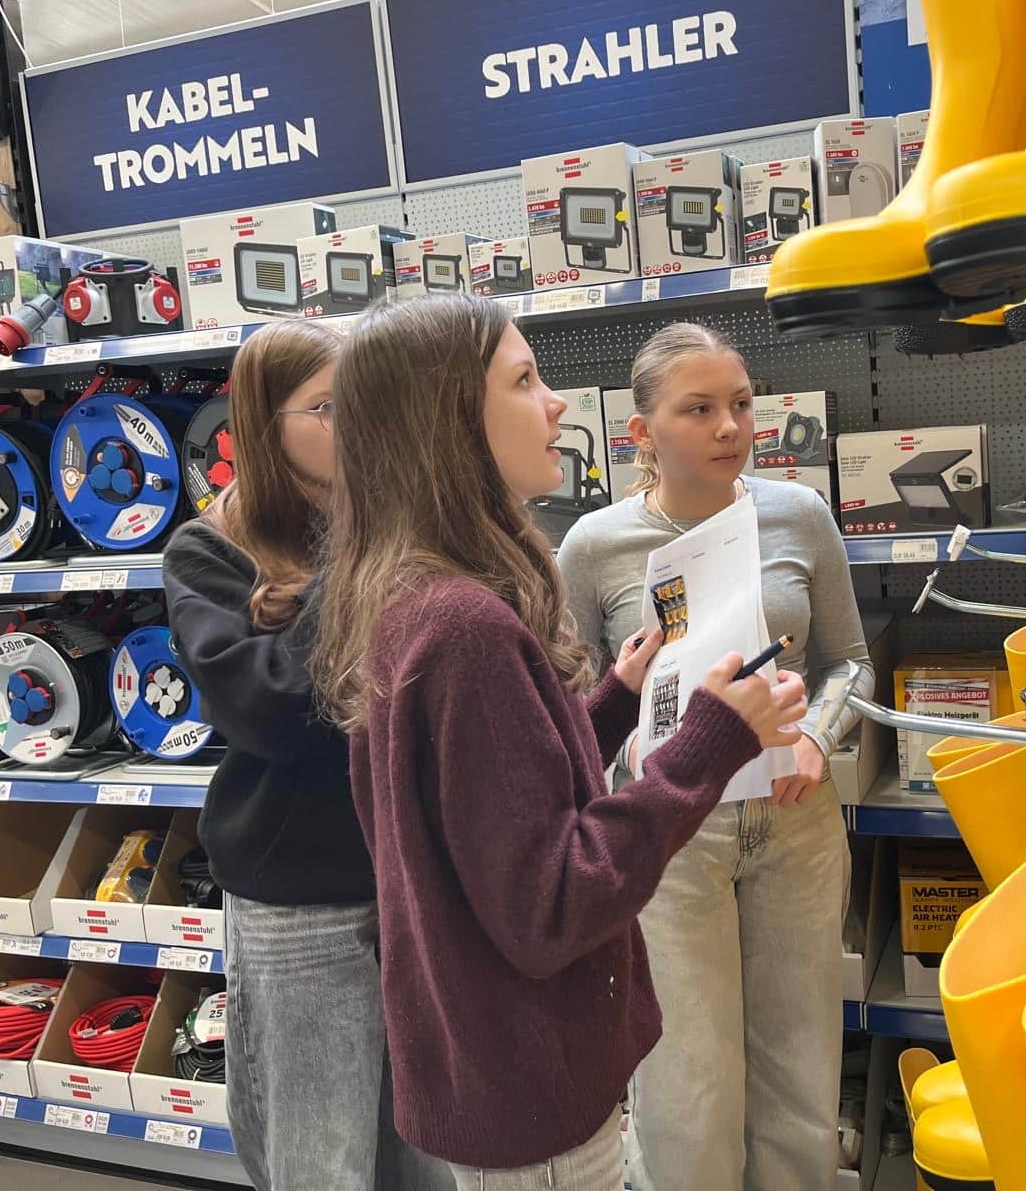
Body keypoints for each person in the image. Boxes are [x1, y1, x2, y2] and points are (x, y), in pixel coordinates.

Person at [310, 295, 808, 1191]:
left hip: (494, 1069)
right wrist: (710, 740)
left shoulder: (413, 594)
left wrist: (614, 703)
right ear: (449, 420)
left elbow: (489, 810)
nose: (558, 403)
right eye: (524, 380)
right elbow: (553, 904)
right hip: (532, 1099)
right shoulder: (464, 628)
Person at [556, 323, 875, 1191]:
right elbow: (571, 710)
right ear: (642, 431)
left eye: (739, 404)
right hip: (668, 839)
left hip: (796, 823)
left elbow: (850, 662)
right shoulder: (594, 546)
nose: (730, 427)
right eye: (698, 410)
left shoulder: (798, 515)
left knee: (800, 1081)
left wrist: (818, 737)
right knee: (686, 1094)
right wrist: (628, 736)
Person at [162, 321, 448, 1191]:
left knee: (427, 1153)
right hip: (297, 899)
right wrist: (359, 560)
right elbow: (271, 708)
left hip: (412, 877)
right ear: (263, 424)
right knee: (320, 1159)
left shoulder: (402, 524)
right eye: (327, 408)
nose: (353, 425)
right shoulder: (209, 550)